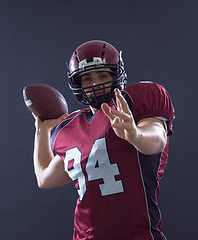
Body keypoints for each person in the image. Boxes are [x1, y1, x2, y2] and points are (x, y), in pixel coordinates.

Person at [32, 40, 175, 240]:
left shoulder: (135, 102)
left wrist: (135, 134)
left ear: (117, 75)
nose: (95, 84)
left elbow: (157, 139)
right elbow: (45, 178)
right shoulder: (70, 128)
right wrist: (42, 131)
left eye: (103, 75)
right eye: (87, 78)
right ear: (77, 83)